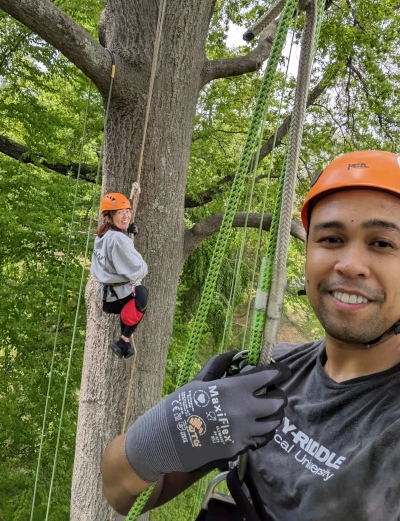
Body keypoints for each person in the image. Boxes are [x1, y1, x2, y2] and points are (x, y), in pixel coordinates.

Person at [101, 150, 400, 519]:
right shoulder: (264, 374)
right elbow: (119, 492)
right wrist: (167, 432)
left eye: (382, 243)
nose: (351, 264)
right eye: (332, 239)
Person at [90, 192, 148, 360]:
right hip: (118, 297)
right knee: (141, 295)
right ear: (109, 216)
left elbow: (115, 258)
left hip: (108, 296)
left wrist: (128, 235)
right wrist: (143, 266)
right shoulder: (117, 239)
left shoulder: (102, 235)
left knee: (135, 294)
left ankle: (125, 344)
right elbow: (138, 269)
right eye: (120, 212)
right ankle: (123, 341)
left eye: (127, 211)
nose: (126, 216)